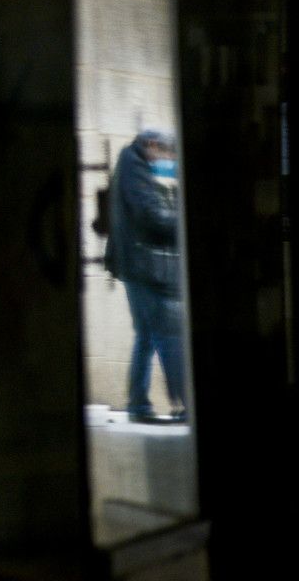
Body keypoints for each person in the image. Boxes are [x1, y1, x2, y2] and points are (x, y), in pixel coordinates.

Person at [104, 128, 187, 424]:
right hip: (142, 267)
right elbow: (150, 214)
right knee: (165, 334)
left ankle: (138, 404)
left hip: (136, 265)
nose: (167, 161)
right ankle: (184, 405)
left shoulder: (132, 162)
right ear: (153, 145)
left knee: (147, 336)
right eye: (167, 154)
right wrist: (184, 221)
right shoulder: (134, 163)